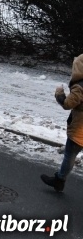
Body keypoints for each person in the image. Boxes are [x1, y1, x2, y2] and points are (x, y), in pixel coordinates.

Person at [41, 54, 83, 192]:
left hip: (79, 130)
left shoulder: (80, 87)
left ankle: (59, 180)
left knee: (70, 155)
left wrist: (59, 94)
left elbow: (67, 104)